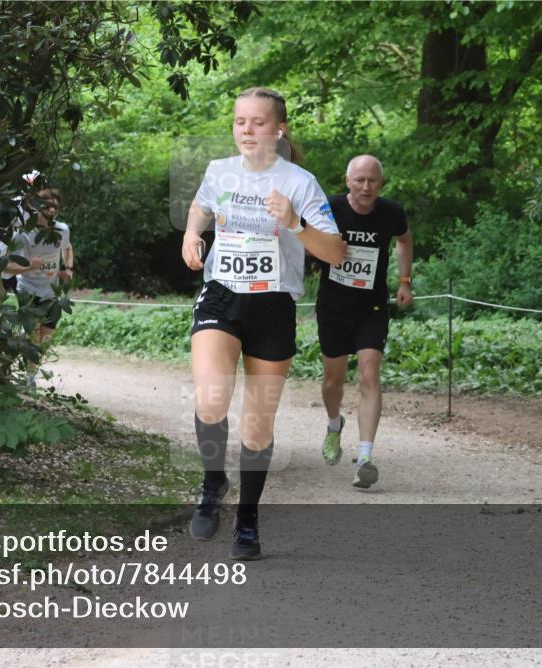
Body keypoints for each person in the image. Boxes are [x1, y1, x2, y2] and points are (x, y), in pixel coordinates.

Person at [181, 87, 345, 560]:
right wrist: (193, 234)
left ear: (279, 129)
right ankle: (214, 482)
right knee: (211, 401)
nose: (247, 131)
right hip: (222, 295)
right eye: (239, 122)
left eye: (257, 122)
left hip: (273, 306)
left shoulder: (300, 183)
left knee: (256, 428)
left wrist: (295, 223)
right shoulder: (219, 171)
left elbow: (335, 253)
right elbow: (200, 206)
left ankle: (248, 518)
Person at [314, 155, 413, 489]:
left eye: (372, 181)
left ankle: (366, 456)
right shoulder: (330, 208)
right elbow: (305, 240)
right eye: (360, 180)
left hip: (371, 308)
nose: (366, 187)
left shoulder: (392, 212)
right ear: (348, 181)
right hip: (333, 306)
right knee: (333, 381)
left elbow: (404, 239)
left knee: (369, 375)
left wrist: (404, 281)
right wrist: (327, 250)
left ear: (380, 184)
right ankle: (333, 425)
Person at [0, 173, 74, 391]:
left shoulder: (62, 230)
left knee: (44, 340)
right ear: (37, 206)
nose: (51, 211)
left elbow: (67, 249)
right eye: (47, 206)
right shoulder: (24, 233)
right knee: (33, 338)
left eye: (55, 208)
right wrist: (30, 266)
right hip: (28, 289)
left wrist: (66, 269)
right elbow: (6, 266)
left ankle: (28, 371)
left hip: (52, 292)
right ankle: (28, 380)